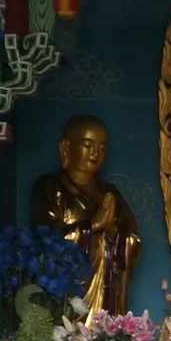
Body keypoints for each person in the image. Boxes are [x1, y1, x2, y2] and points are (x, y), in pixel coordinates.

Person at [29, 114, 141, 317]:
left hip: (105, 291)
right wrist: (93, 227)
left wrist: (113, 232)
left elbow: (132, 239)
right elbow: (45, 238)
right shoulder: (50, 186)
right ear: (65, 147)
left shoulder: (109, 194)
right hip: (69, 293)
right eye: (88, 145)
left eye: (102, 148)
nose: (95, 153)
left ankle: (109, 325)